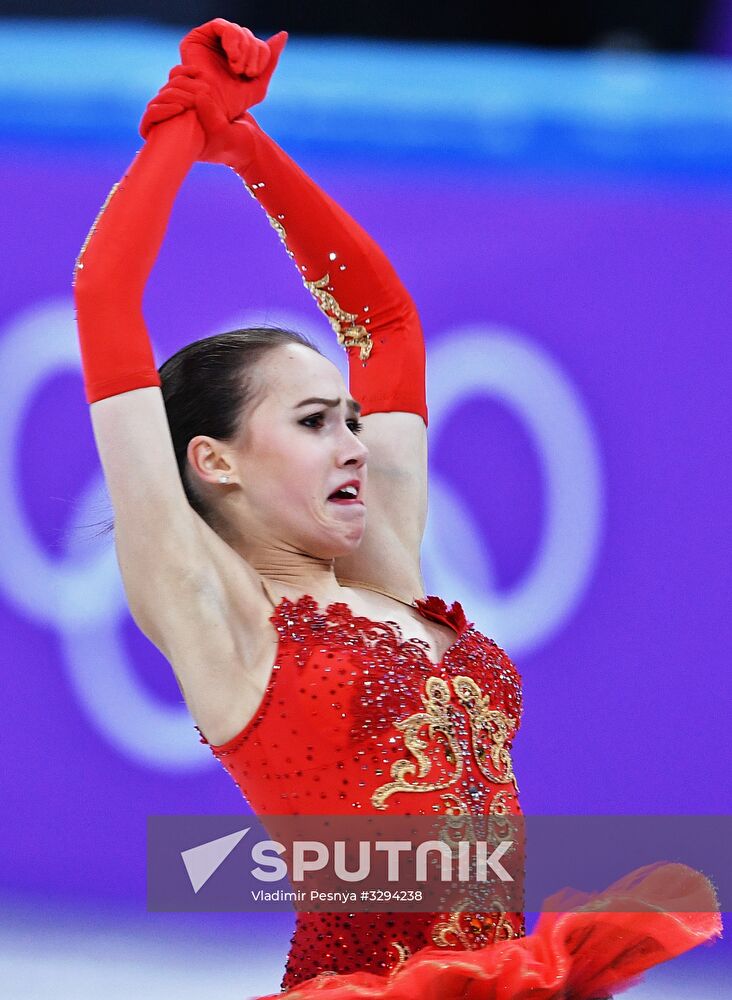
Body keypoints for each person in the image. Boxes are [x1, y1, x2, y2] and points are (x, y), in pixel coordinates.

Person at [73, 19, 721, 999]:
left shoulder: (383, 572)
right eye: (312, 421)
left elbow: (383, 323)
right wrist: (180, 124)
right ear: (214, 463)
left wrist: (248, 148)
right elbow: (105, 300)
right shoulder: (219, 616)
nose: (352, 440)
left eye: (348, 415)